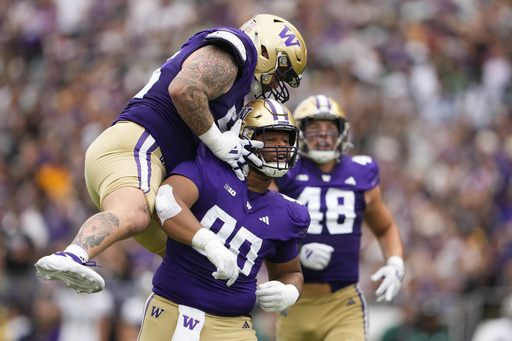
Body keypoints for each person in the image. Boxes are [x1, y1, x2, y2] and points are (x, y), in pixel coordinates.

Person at [34, 14, 307, 294]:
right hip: (140, 144)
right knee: (135, 214)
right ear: (265, 50)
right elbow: (184, 89)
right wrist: (218, 141)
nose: (277, 83)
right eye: (281, 71)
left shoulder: (235, 100)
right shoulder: (238, 50)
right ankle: (72, 256)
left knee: (192, 258)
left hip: (146, 160)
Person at [137, 98, 310, 341]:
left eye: (286, 139)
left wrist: (289, 290)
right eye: (271, 138)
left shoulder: (288, 213)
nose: (281, 146)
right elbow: (166, 202)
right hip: (171, 308)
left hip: (232, 326)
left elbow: (291, 271)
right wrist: (208, 242)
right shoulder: (210, 169)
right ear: (245, 136)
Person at [273, 94, 405, 341]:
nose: (323, 135)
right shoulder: (284, 172)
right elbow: (265, 229)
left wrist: (395, 262)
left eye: (330, 128)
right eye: (315, 128)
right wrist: (297, 253)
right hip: (294, 300)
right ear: (299, 132)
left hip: (342, 304)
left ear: (342, 133)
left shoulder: (360, 172)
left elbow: (385, 227)